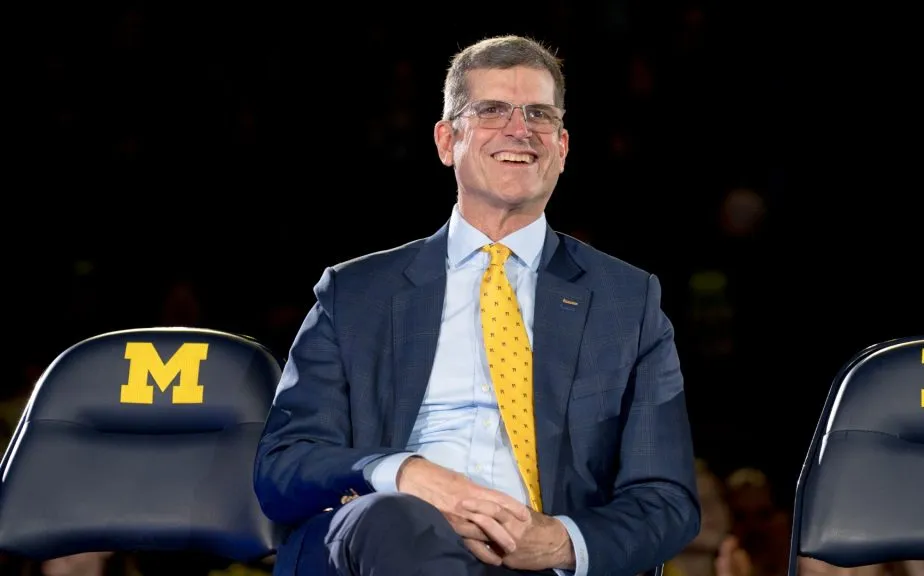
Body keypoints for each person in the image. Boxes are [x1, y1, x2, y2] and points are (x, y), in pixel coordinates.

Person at [253, 35, 701, 576]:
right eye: (492, 111)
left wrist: (561, 542)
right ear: (447, 141)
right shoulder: (356, 294)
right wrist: (402, 472)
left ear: (562, 147)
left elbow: (666, 499)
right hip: (389, 543)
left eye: (539, 114)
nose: (521, 129)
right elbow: (284, 465)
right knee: (396, 520)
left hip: (542, 561)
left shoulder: (626, 302)